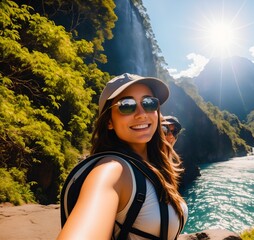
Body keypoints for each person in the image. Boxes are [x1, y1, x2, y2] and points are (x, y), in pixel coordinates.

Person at [57, 73, 187, 239]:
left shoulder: (153, 166)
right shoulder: (112, 170)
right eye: (126, 105)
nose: (141, 114)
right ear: (109, 122)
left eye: (149, 103)